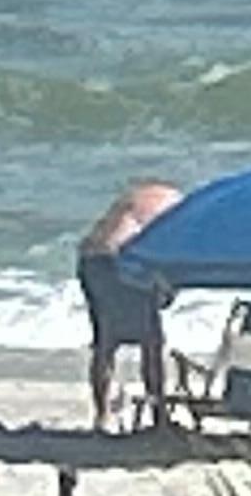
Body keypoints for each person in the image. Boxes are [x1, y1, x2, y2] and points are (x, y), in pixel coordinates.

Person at [76, 178, 180, 430]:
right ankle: (159, 414)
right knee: (151, 341)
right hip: (120, 259)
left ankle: (102, 414)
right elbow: (163, 249)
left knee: (105, 340)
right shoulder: (173, 204)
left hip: (91, 260)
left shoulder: (136, 199)